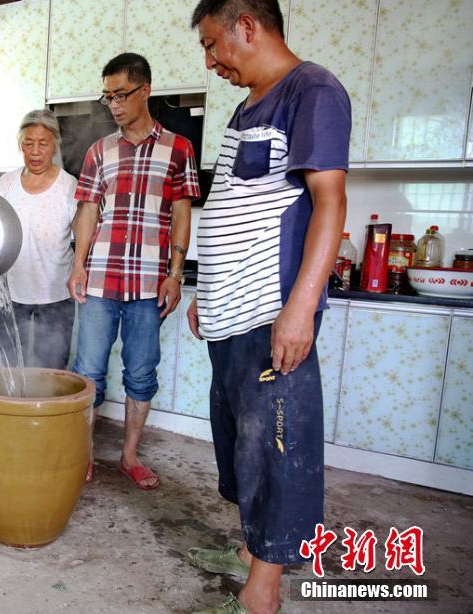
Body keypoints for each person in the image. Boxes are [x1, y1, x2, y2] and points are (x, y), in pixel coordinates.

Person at [185, 1, 350, 612]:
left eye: (212, 44)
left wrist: (301, 309)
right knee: (240, 448)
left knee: (275, 454)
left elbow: (329, 203)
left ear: (246, 27)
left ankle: (263, 596)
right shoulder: (246, 104)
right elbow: (231, 205)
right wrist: (209, 290)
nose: (209, 60)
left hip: (269, 315)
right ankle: (250, 553)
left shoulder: (312, 90)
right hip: (230, 315)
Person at [68, 53, 199, 490]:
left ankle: (128, 456)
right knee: (88, 370)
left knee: (141, 372)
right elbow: (87, 212)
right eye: (107, 97)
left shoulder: (179, 148)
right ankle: (82, 456)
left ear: (145, 91)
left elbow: (182, 214)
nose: (114, 105)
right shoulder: (98, 151)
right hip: (101, 277)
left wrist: (175, 273)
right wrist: (78, 264)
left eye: (121, 95)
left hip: (149, 282)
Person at [0, 109, 77, 370]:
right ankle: (6, 412)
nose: (35, 151)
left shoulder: (69, 187)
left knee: (52, 369)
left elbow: (84, 239)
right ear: (20, 146)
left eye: (43, 143)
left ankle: (44, 412)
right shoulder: (5, 185)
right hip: (10, 294)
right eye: (28, 144)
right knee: (4, 367)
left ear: (55, 145)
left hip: (56, 295)